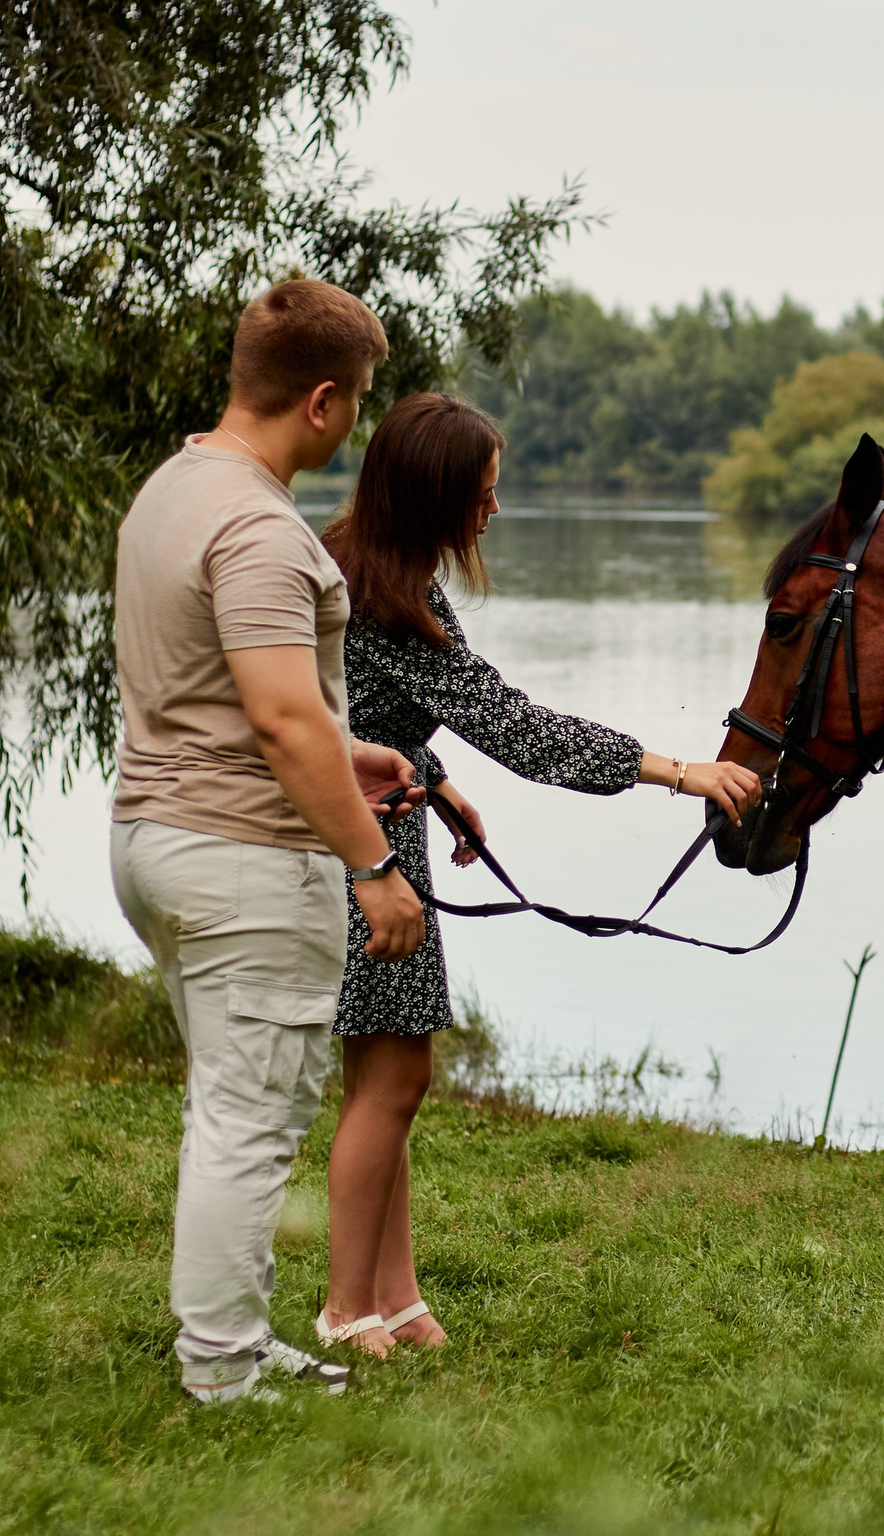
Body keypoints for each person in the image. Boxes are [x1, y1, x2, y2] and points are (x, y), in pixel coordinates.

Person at [313, 392, 760, 1357]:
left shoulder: (367, 570)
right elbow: (524, 732)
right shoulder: (394, 601)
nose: (495, 510)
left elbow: (366, 720)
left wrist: (434, 781)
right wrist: (679, 771)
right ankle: (349, 1309)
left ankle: (395, 1298)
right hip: (359, 854)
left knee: (392, 1073)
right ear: (437, 497)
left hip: (381, 830)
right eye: (483, 492)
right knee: (389, 1079)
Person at [110, 278, 429, 1405]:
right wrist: (374, 870)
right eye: (366, 399)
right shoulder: (255, 526)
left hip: (157, 836)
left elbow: (227, 694)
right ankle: (222, 1374)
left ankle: (233, 1343)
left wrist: (353, 756)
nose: (361, 422)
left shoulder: (173, 490)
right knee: (251, 1122)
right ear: (327, 400)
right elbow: (281, 718)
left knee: (227, 1107)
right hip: (241, 859)